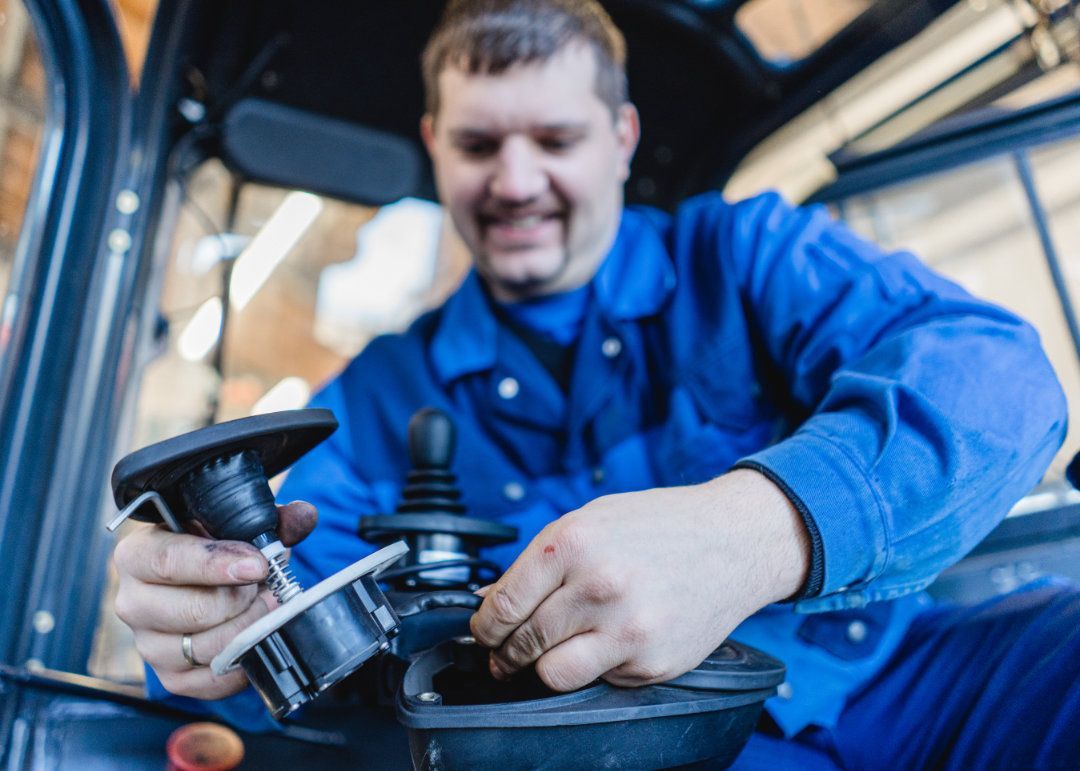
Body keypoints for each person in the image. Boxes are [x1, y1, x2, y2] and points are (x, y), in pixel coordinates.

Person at [113, 0, 1080, 766]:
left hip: (899, 682)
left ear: (620, 137)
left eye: (557, 139)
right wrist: (203, 627)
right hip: (620, 753)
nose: (517, 180)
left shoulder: (746, 257)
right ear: (434, 146)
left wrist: (759, 528)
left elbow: (996, 375)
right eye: (480, 145)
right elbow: (295, 609)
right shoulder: (380, 395)